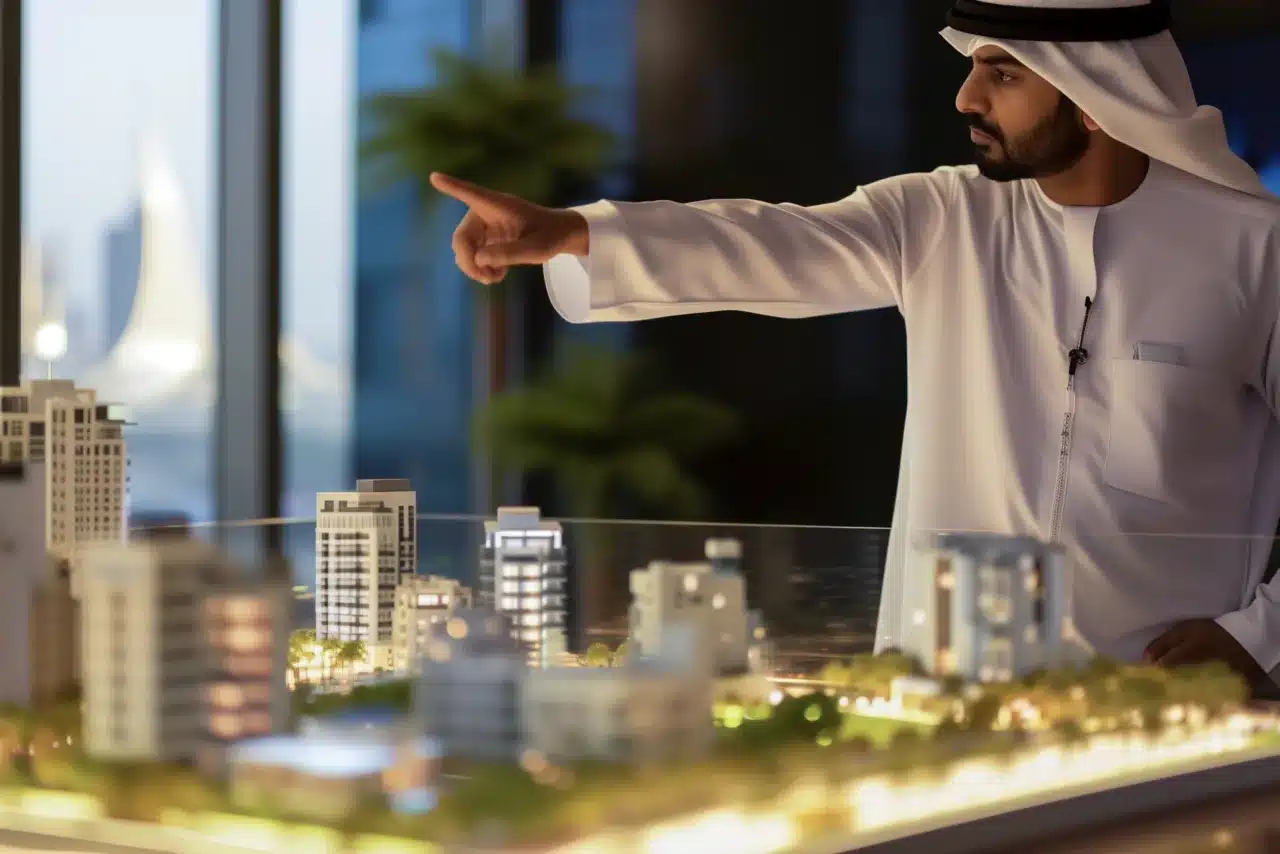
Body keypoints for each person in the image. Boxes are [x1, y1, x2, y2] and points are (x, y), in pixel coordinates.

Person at [432, 0, 1280, 687]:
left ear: (1097, 98)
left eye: (1003, 74)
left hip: (1167, 714)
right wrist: (574, 232)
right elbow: (768, 244)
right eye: (971, 68)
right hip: (946, 706)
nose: (967, 99)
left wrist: (1259, 636)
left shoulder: (1253, 249)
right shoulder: (944, 218)